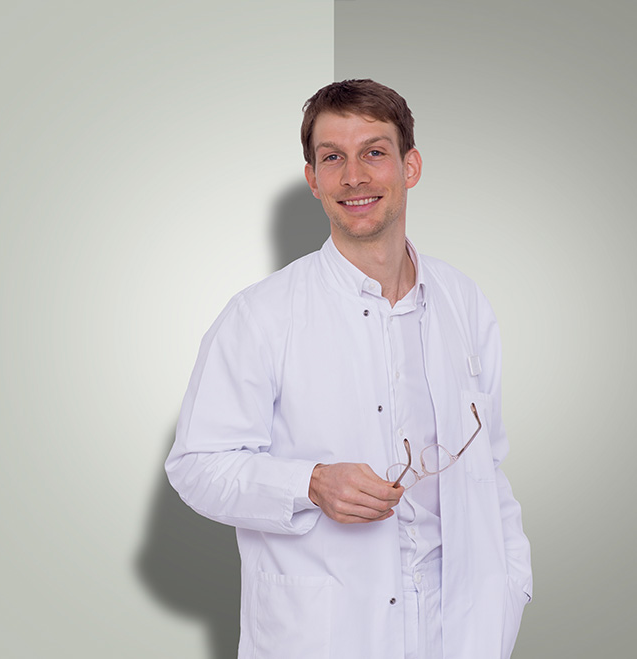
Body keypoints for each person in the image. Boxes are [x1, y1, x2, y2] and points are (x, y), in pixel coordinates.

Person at [165, 79, 532, 659]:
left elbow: (488, 466)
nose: (354, 176)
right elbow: (196, 466)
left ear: (410, 167)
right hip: (325, 635)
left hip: (456, 633)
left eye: (374, 152)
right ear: (313, 179)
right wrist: (309, 483)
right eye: (333, 157)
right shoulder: (261, 316)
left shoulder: (463, 301)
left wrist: (511, 584)